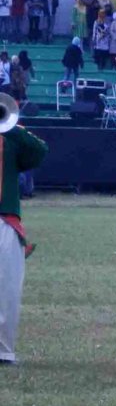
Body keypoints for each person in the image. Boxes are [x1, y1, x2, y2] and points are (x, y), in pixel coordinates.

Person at [0, 118, 48, 364]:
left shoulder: (11, 138)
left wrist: (10, 128)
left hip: (5, 218)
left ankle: (3, 351)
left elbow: (39, 151)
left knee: (7, 288)